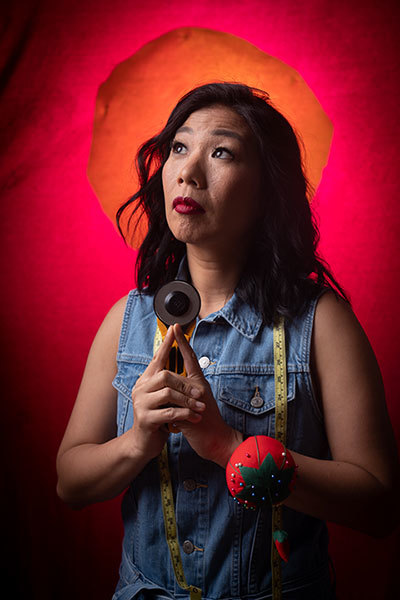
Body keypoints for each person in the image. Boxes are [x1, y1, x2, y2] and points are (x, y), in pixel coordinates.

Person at [56, 83, 399, 599]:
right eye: (179, 147)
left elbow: (379, 505)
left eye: (221, 152)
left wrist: (231, 449)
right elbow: (69, 484)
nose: (188, 172)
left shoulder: (321, 324)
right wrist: (137, 443)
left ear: (267, 190)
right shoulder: (125, 320)